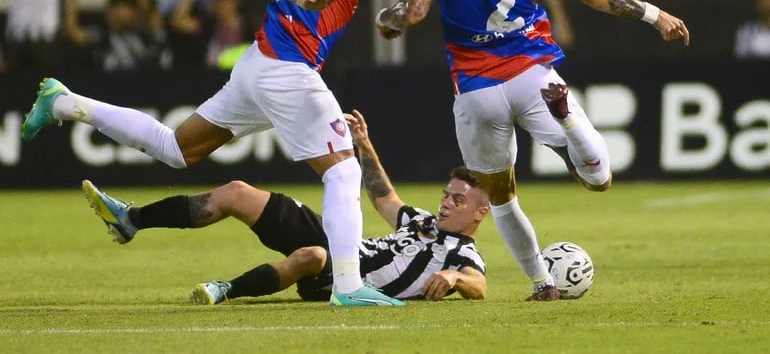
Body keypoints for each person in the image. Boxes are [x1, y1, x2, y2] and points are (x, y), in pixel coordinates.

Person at [21, 0, 416, 308]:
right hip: (287, 68)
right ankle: (347, 286)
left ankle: (66, 104)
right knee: (344, 169)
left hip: (260, 64)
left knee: (177, 149)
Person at [375, 0, 690, 301]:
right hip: (533, 75)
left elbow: (414, 10)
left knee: (501, 197)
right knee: (599, 180)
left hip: (477, 89)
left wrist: (387, 18)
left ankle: (542, 284)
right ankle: (568, 122)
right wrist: (653, 15)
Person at [81, 109, 489, 304]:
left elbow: (480, 285)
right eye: (446, 194)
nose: (445, 202)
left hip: (345, 278)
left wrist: (456, 279)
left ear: (479, 212)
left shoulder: (461, 252)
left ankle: (226, 290)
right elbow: (384, 197)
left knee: (311, 256)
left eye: (457, 199)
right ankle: (130, 219)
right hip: (344, 247)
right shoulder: (420, 221)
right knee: (237, 191)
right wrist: (364, 146)